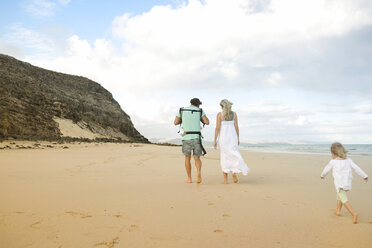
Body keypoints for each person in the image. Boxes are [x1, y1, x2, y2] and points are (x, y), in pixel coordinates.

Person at [320, 142, 368, 224]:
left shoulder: (333, 162)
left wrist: (322, 175)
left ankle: (354, 214)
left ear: (334, 153)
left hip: (340, 184)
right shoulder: (349, 160)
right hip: (347, 183)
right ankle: (338, 211)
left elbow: (326, 169)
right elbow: (357, 168)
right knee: (340, 196)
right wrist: (364, 176)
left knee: (344, 199)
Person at [214, 99, 250, 184]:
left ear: (222, 106)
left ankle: (226, 180)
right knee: (234, 154)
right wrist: (237, 138)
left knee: (224, 156)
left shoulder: (219, 114)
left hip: (223, 138)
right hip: (233, 137)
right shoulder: (234, 114)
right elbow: (236, 127)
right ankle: (234, 172)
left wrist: (215, 140)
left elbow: (217, 128)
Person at [174, 98, 209, 183]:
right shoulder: (200, 110)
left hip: (186, 137)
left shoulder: (182, 110)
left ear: (190, 103)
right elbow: (207, 122)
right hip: (197, 137)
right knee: (197, 158)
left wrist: (183, 120)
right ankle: (198, 173)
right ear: (198, 104)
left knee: (187, 158)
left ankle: (189, 179)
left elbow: (175, 122)